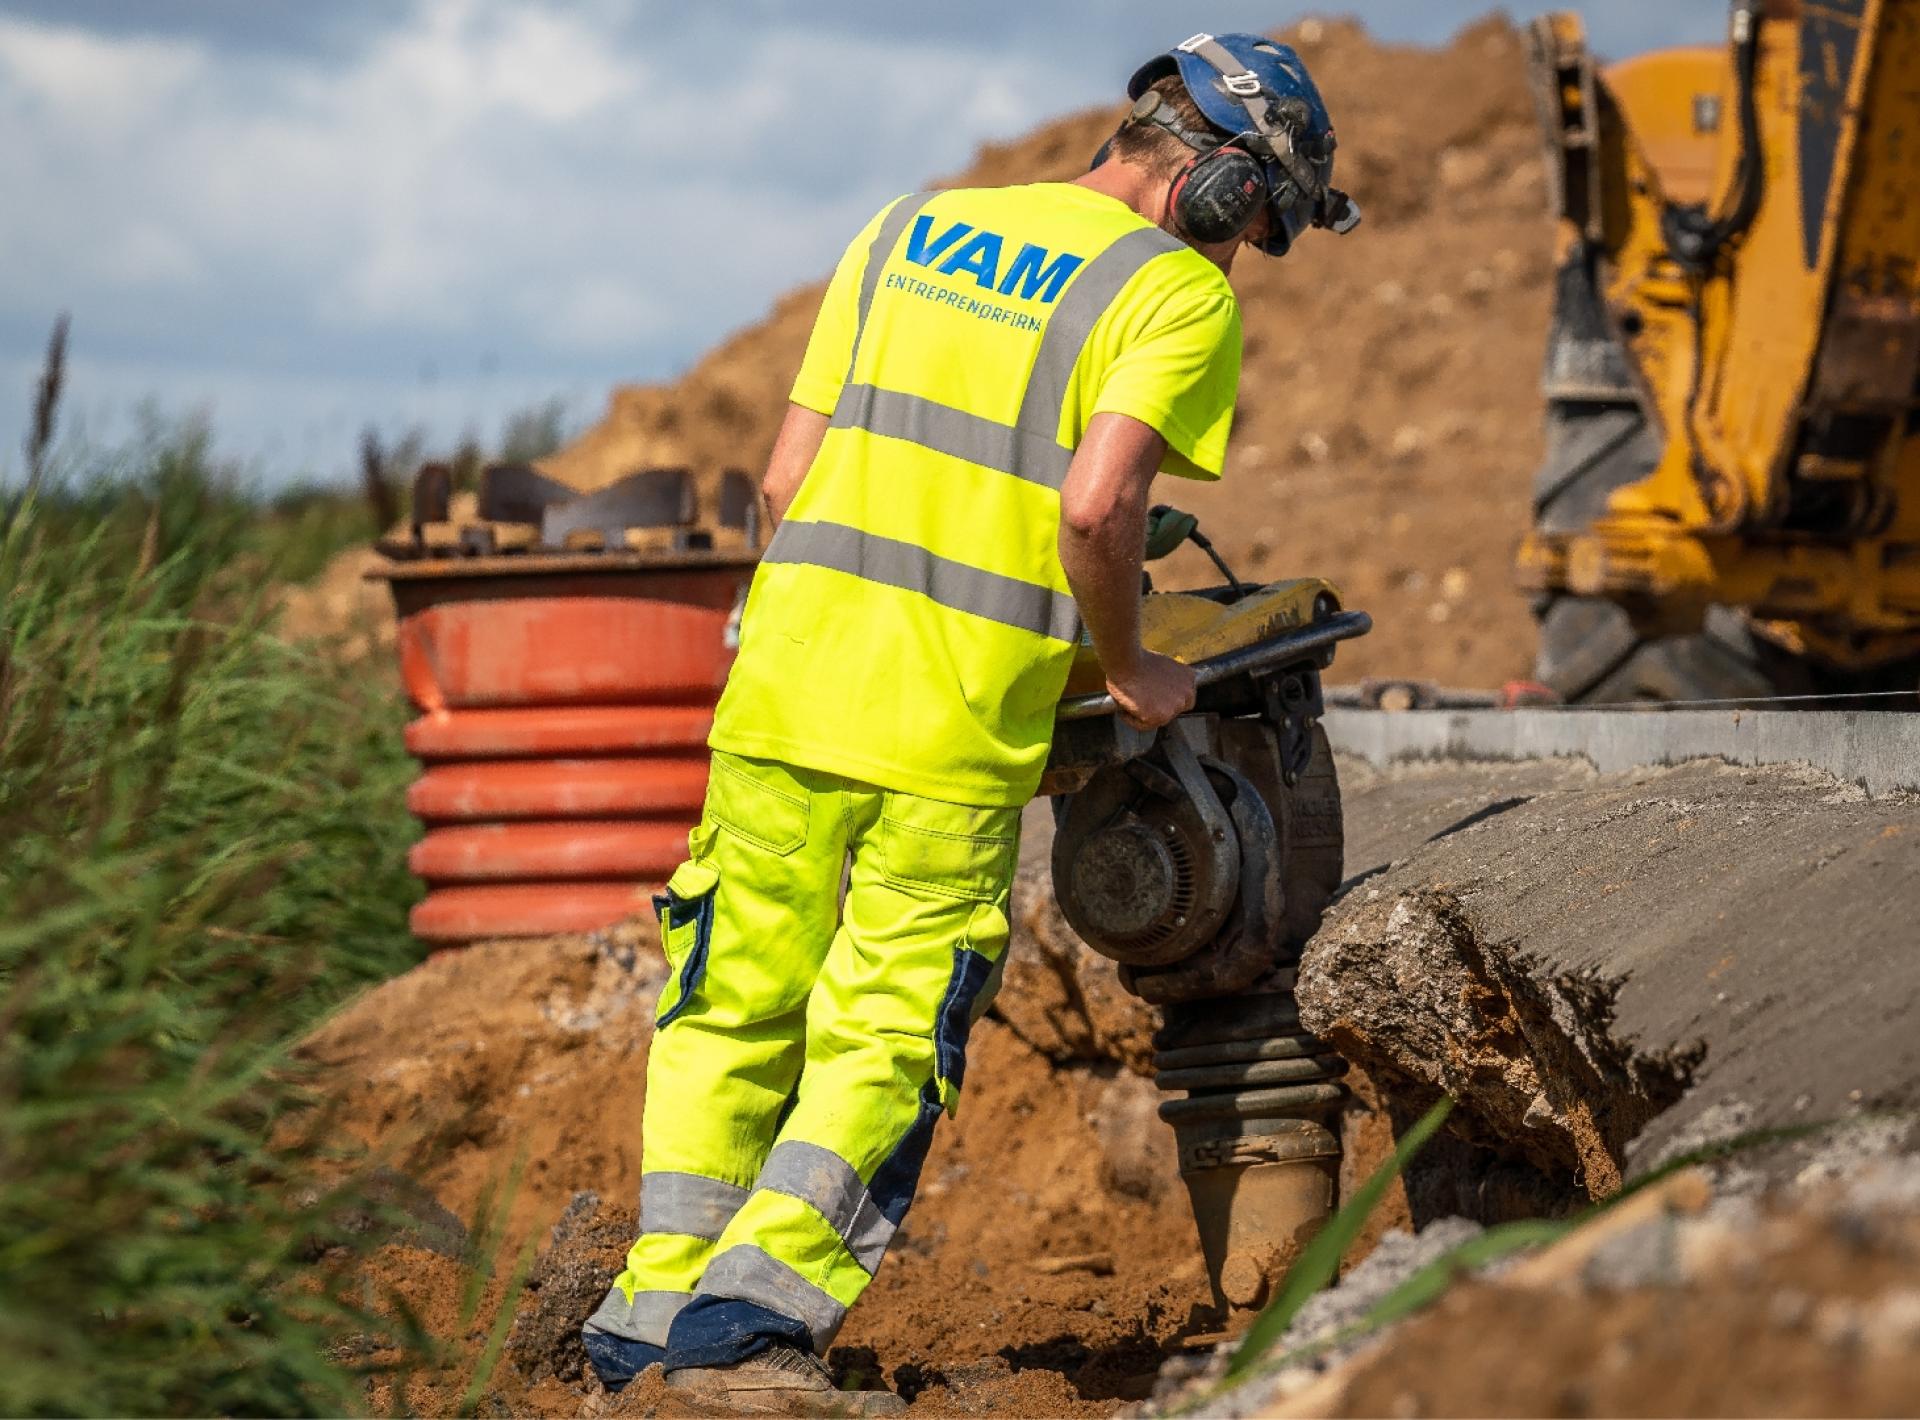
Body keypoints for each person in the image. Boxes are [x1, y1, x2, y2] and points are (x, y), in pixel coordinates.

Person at [581, 31, 1356, 1415]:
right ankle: (748, 1341)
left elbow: (788, 479)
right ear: (1225, 190)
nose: (1248, 261)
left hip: (777, 696)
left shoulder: (910, 228)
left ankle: (648, 1322)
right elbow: (1094, 507)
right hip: (942, 738)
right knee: (884, 1028)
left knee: (726, 1004)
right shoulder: (1172, 291)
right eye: (1262, 231)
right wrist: (1127, 666)